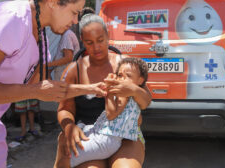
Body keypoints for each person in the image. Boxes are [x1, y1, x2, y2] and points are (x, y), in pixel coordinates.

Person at [0, 0, 107, 168]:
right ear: (53, 2)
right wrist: (34, 91)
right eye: (74, 12)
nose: (76, 21)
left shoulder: (39, 34)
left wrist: (93, 89)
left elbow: (46, 89)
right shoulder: (10, 19)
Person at [54, 14, 152, 168]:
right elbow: (64, 109)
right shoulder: (75, 70)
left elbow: (146, 101)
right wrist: (69, 127)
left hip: (126, 136)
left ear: (108, 36)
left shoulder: (126, 65)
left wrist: (133, 90)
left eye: (100, 40)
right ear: (82, 42)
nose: (96, 47)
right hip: (89, 136)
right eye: (89, 42)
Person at [58, 57, 148, 167]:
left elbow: (111, 114)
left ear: (140, 80)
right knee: (66, 148)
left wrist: (109, 94)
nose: (122, 78)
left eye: (128, 76)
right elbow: (64, 108)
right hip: (102, 135)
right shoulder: (74, 69)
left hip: (106, 139)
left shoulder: (124, 92)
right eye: (119, 75)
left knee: (66, 159)